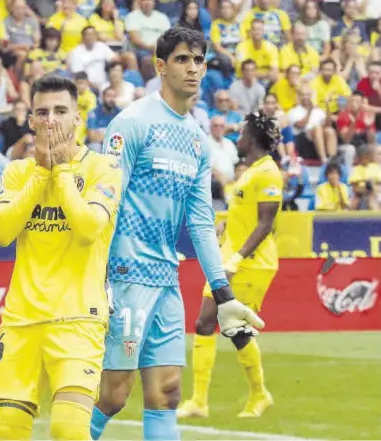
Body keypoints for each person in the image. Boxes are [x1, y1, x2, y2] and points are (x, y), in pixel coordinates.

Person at [90, 27, 265, 441]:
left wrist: (224, 292)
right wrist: (99, 276)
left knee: (167, 394)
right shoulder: (131, 123)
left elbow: (201, 222)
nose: (192, 68)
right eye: (183, 59)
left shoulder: (198, 142)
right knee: (114, 394)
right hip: (125, 275)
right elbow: (105, 204)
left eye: (199, 60)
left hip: (166, 280)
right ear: (160, 65)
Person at [0, 74, 122, 440]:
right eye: (42, 112)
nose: (51, 120)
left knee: (68, 429)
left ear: (78, 117)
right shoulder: (18, 172)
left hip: (78, 318)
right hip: (21, 319)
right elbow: (1, 232)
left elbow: (88, 227)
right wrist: (42, 173)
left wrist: (61, 171)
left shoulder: (102, 169)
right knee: (9, 431)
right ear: (30, 120)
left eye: (61, 111)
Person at [178, 111, 284, 420]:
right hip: (227, 259)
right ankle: (199, 401)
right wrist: (224, 227)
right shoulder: (251, 172)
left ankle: (259, 393)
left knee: (233, 328)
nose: (238, 138)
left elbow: (265, 224)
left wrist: (237, 259)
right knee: (205, 324)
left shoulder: (268, 172)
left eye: (242, 134)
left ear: (252, 138)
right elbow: (246, 217)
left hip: (250, 264)